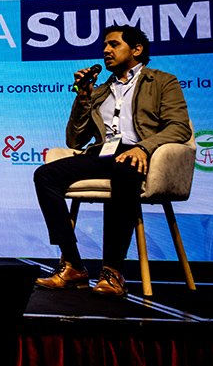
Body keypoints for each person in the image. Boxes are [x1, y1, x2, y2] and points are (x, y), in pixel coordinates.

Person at [32, 24, 191, 296]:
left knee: (124, 168)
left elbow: (179, 127)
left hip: (140, 156)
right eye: (105, 45)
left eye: (114, 44)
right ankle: (72, 265)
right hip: (103, 153)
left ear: (136, 49)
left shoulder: (162, 82)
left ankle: (113, 271)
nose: (106, 50)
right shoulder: (101, 91)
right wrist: (83, 97)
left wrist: (143, 148)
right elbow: (75, 140)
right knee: (44, 174)